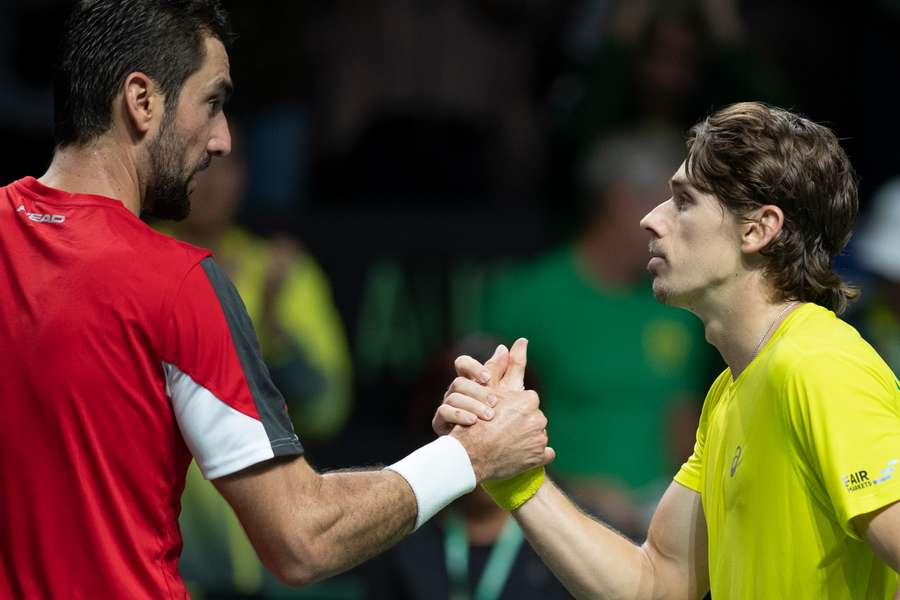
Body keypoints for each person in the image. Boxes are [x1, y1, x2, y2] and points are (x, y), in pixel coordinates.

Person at [0, 2, 552, 598]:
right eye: (212, 102)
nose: (222, 139)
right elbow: (301, 538)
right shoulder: (175, 283)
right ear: (142, 101)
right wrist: (468, 456)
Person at [436, 102, 900, 598]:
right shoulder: (731, 389)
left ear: (758, 228)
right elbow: (654, 584)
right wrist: (518, 480)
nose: (650, 220)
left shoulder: (817, 365)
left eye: (682, 201)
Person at [480, 129, 710, 537]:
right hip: (555, 523)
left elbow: (682, 417)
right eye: (672, 207)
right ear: (622, 203)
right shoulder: (530, 297)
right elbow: (485, 425)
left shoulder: (678, 300)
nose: (678, 225)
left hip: (662, 528)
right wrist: (571, 489)